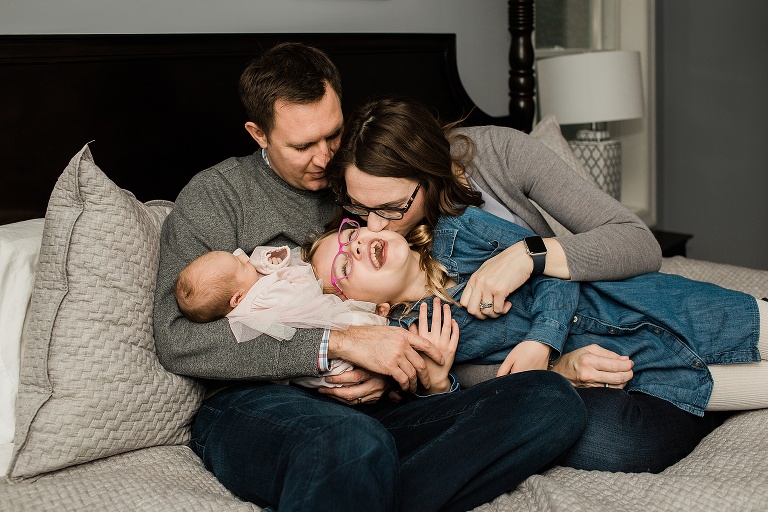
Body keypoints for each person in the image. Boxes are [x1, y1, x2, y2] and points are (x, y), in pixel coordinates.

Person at [153, 42, 587, 512]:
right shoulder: (217, 197)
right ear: (259, 134)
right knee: (350, 440)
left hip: (389, 409)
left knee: (549, 401)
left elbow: (428, 299)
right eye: (302, 146)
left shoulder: (369, 178)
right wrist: (335, 345)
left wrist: (409, 377)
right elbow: (177, 340)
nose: (324, 158)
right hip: (260, 405)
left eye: (333, 134)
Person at [323, 97, 736, 472]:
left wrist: (528, 258)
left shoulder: (496, 160)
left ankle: (696, 383)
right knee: (608, 438)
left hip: (592, 308)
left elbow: (637, 243)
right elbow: (463, 365)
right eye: (360, 210)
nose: (372, 225)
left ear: (430, 173)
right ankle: (691, 390)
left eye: (392, 208)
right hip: (545, 372)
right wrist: (557, 370)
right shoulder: (380, 264)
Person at [306, 214, 768, 414]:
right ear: (369, 308)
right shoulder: (413, 339)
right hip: (640, 366)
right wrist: (439, 384)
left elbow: (550, 260)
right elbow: (473, 414)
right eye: (345, 265)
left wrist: (541, 338)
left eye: (351, 234)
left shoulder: (461, 229)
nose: (359, 245)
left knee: (754, 321)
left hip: (650, 300)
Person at [174, 245, 384, 388]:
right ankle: (382, 324)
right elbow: (304, 294)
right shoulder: (261, 300)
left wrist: (269, 263)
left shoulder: (243, 292)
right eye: (240, 264)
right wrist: (293, 274)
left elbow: (257, 266)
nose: (243, 257)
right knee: (356, 325)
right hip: (325, 361)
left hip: (305, 364)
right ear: (237, 298)